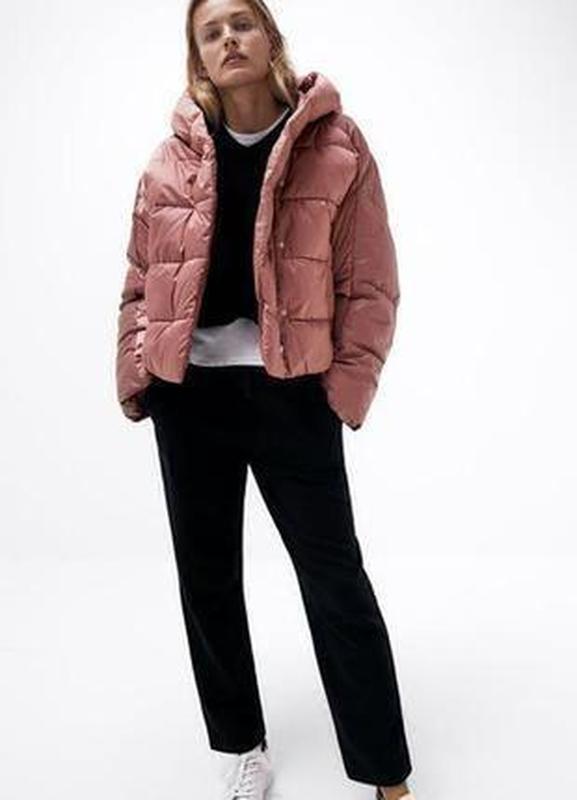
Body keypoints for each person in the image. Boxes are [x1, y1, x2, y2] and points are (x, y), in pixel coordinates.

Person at [115, 1, 416, 798]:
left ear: (269, 38)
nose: (228, 39)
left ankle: (385, 771)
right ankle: (240, 745)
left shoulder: (336, 147)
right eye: (210, 32)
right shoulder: (168, 162)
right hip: (191, 397)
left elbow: (371, 281)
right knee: (206, 577)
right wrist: (139, 375)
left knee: (335, 580)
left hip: (293, 393)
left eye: (241, 23)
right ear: (198, 58)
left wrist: (343, 391)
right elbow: (140, 281)